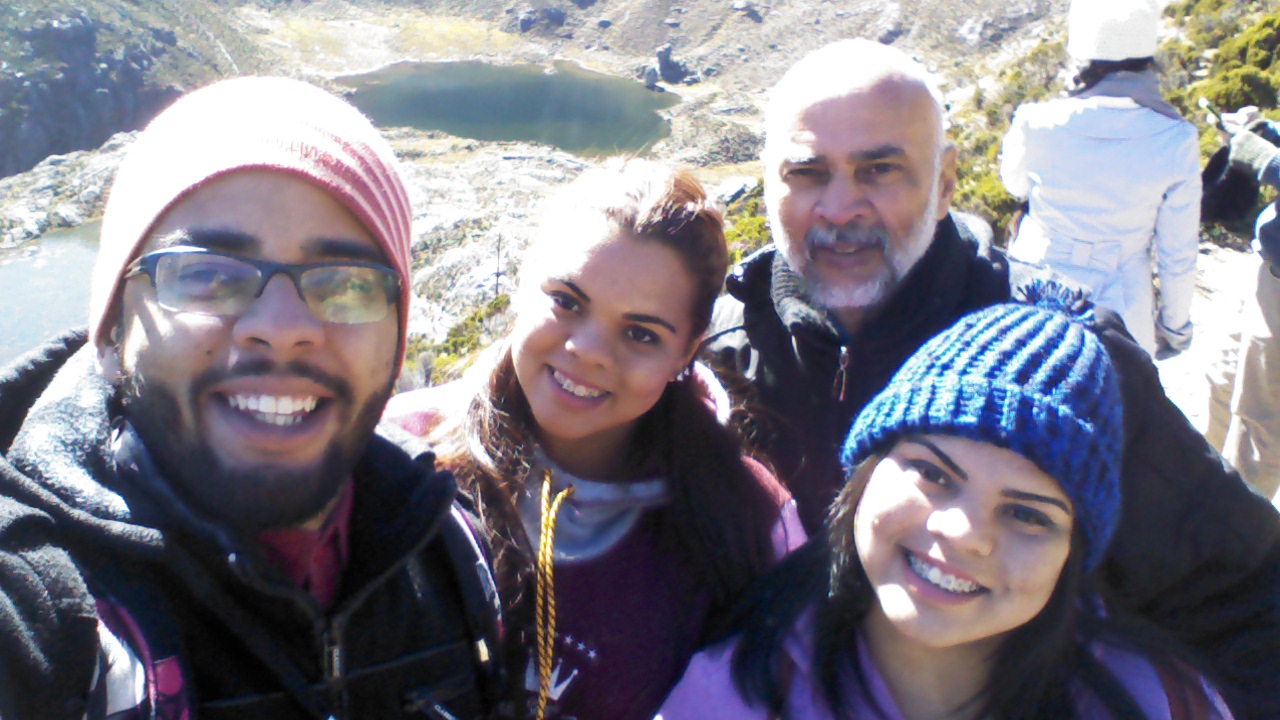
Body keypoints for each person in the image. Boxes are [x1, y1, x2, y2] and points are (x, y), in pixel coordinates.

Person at [702, 38, 1280, 718]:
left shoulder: (1060, 368)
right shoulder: (721, 349)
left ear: (946, 182)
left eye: (880, 169)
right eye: (806, 172)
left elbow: (1241, 594)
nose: (840, 206)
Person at [0, 77, 502, 719]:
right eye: (207, 275)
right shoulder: (38, 598)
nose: (283, 328)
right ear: (112, 333)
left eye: (346, 284)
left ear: (395, 338)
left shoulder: (452, 547)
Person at [661, 292, 1234, 719]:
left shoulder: (1162, 701)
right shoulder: (730, 695)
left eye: (1028, 514)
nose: (963, 532)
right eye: (933, 473)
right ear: (866, 473)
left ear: (1073, 553)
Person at [384, 158, 805, 720]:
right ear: (523, 282)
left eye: (640, 333)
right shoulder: (400, 452)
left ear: (687, 351)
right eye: (567, 301)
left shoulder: (749, 522)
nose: (588, 351)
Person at [999, 0, 1200, 358]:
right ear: (1148, 58)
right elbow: (1177, 254)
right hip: (1124, 307)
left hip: (1033, 289)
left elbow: (1014, 186)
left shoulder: (1034, 120)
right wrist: (1175, 328)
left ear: (1082, 55)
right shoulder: (1177, 139)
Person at [1204, 108, 1280, 499]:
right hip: (1267, 265)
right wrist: (1268, 132)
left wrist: (1266, 160)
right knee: (1222, 381)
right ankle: (1197, 495)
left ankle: (1233, 526)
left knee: (1261, 423)